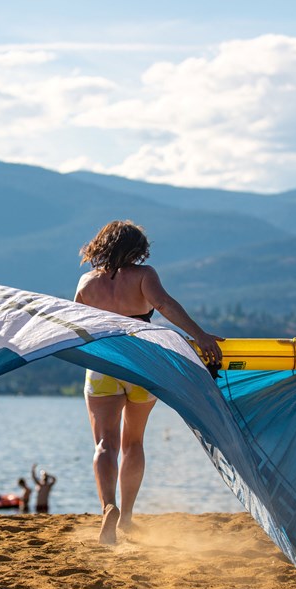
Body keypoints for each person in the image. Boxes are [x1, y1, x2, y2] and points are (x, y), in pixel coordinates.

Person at [75, 219, 223, 545]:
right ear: (136, 249)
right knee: (133, 443)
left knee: (104, 444)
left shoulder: (87, 283)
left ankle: (108, 508)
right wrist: (199, 336)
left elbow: (75, 327)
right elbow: (165, 305)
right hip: (142, 365)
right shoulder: (144, 276)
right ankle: (127, 516)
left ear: (102, 245)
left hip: (103, 365)